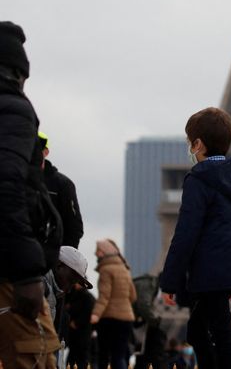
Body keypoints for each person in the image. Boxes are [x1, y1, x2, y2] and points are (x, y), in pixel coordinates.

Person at [160, 107, 231, 369]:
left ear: (198, 144)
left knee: (219, 333)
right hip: (230, 270)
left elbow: (186, 232)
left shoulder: (199, 179)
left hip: (207, 271)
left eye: (189, 142)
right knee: (203, 331)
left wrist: (170, 281)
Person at [0, 21, 63, 368]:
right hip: (9, 270)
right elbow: (7, 187)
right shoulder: (14, 109)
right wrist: (27, 272)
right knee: (35, 355)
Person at [91, 238, 136, 369]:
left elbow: (104, 296)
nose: (95, 254)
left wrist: (95, 314)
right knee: (119, 355)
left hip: (109, 319)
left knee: (103, 355)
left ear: (104, 252)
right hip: (127, 319)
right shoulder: (125, 269)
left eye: (98, 251)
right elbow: (133, 296)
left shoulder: (106, 270)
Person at [38, 133, 84, 249]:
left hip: (49, 260)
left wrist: (60, 261)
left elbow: (74, 228)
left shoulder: (63, 184)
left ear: (46, 152)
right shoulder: (14, 180)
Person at [66, 282, 96, 369]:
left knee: (81, 357)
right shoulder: (75, 295)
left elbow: (88, 314)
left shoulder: (86, 297)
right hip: (75, 333)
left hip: (83, 332)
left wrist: (76, 323)